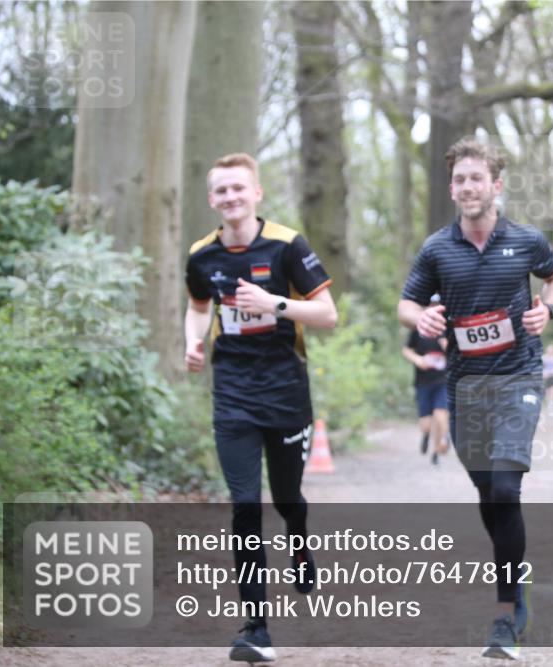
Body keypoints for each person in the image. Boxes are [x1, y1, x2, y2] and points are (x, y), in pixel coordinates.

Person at [397, 137, 553, 659]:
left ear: (496, 185)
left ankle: (505, 617)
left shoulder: (525, 240)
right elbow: (406, 304)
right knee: (488, 495)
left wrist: (549, 310)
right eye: (460, 179)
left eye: (477, 178)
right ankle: (516, 571)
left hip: (518, 379)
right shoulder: (436, 249)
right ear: (452, 189)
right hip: (464, 386)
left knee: (504, 486)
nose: (468, 187)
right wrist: (420, 317)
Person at [184, 153, 337, 663]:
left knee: (287, 496)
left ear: (256, 193)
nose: (230, 198)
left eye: (238, 189)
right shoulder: (202, 255)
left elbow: (327, 315)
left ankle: (298, 535)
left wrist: (273, 304)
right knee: (245, 503)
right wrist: (194, 342)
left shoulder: (287, 245)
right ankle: (255, 627)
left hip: (286, 390)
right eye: (221, 191)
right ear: (212, 200)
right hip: (233, 394)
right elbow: (198, 306)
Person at [401, 295, 450, 465]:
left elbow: (458, 352)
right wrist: (417, 360)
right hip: (423, 382)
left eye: (437, 305)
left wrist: (447, 344)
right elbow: (406, 350)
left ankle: (438, 448)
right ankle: (426, 435)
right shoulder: (418, 329)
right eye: (430, 305)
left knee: (440, 414)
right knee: (426, 424)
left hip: (443, 381)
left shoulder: (448, 328)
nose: (433, 308)